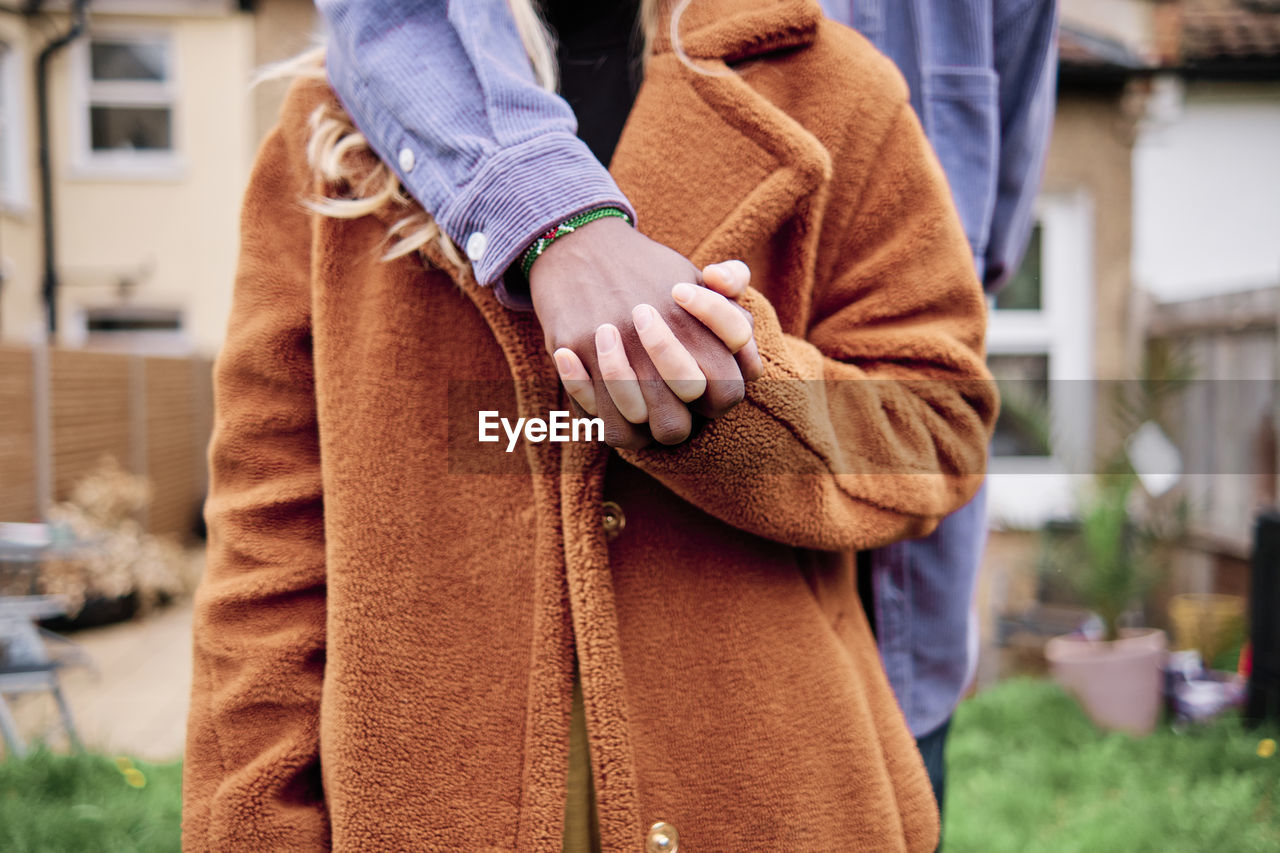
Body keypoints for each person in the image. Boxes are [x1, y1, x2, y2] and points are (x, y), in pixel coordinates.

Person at [182, 0, 997, 850]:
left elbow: (936, 425)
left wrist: (724, 387)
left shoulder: (829, 82)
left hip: (771, 789)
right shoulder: (334, 122)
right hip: (427, 805)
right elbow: (267, 541)